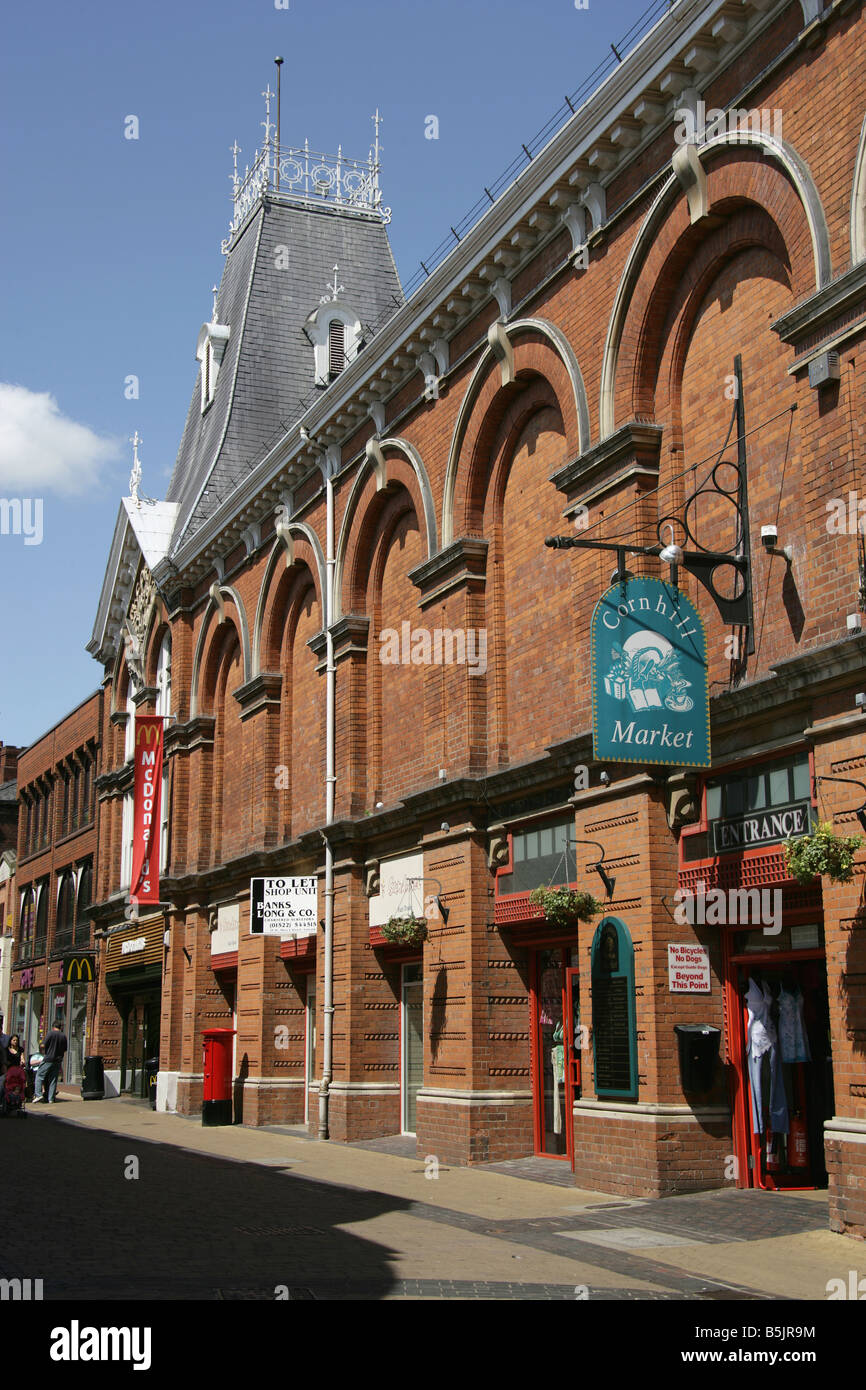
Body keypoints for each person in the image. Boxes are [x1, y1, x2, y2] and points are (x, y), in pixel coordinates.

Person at [33, 1020, 68, 1104]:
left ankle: (38, 1094)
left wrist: (42, 1049)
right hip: (58, 1060)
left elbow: (43, 1045)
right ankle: (51, 1098)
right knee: (53, 1079)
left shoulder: (51, 1033)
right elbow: (65, 1049)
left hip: (48, 1058)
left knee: (39, 1075)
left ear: (53, 1027)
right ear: (61, 1027)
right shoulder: (63, 1036)